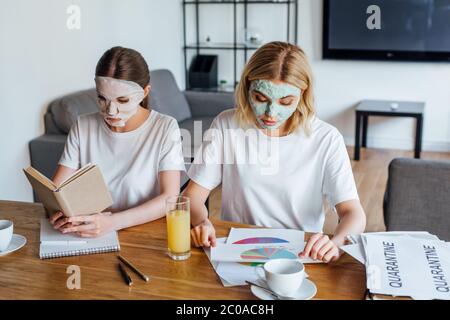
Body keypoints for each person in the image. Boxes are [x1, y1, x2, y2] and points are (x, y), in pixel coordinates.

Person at [183, 41, 366, 262]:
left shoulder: (326, 139)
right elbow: (192, 196)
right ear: (247, 87)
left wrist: (336, 244)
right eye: (261, 99)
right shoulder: (226, 124)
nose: (271, 113)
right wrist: (202, 222)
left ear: (302, 95)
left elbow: (353, 213)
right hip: (237, 251)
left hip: (299, 256)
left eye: (285, 101)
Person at [49, 46, 185, 237]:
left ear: (145, 92)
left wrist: (112, 222)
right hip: (88, 233)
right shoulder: (83, 125)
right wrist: (60, 211)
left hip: (144, 234)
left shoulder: (165, 128)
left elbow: (170, 198)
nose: (110, 111)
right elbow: (57, 189)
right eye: (102, 99)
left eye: (122, 100)